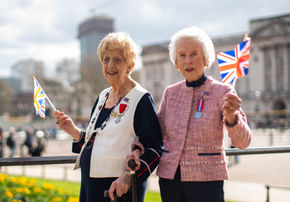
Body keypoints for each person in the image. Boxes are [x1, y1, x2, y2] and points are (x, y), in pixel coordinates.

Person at [54, 32, 162, 202]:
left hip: (118, 191)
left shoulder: (141, 98)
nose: (110, 65)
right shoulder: (102, 96)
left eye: (117, 60)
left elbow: (154, 150)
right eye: (106, 59)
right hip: (90, 186)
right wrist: (73, 131)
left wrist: (127, 178)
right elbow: (97, 142)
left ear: (130, 65)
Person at [156, 27, 252, 202]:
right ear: (176, 63)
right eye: (182, 55)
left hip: (206, 179)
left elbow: (243, 142)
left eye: (194, 54)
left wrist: (232, 119)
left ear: (206, 59)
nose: (188, 60)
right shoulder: (170, 93)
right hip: (170, 180)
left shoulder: (223, 92)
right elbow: (156, 133)